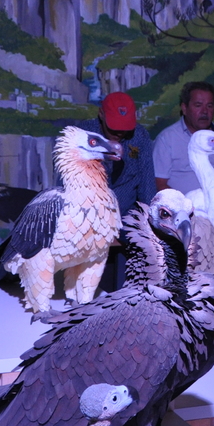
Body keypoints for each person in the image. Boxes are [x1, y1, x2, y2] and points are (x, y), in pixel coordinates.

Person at [78, 92, 156, 291]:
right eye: (114, 127)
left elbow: (147, 186)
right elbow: (67, 185)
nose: (120, 133)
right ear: (101, 114)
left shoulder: (140, 137)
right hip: (88, 216)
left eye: (125, 128)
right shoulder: (82, 136)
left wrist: (148, 226)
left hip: (125, 217)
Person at [153, 81, 214, 202]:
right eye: (198, 105)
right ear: (184, 108)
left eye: (209, 106)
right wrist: (186, 209)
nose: (204, 111)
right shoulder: (167, 139)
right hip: (181, 210)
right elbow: (159, 184)